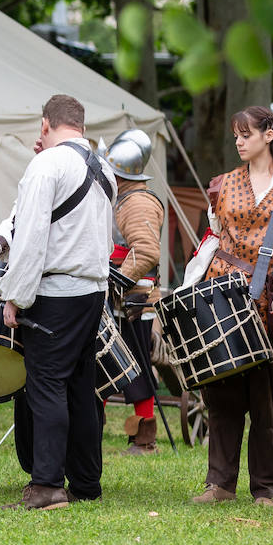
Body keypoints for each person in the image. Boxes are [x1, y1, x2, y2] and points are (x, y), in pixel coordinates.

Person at [0, 94, 113, 510]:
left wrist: (14, 296)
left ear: (45, 124)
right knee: (79, 386)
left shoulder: (47, 164)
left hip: (55, 292)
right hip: (92, 291)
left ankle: (47, 487)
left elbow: (34, 235)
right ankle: (87, 484)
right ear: (81, 125)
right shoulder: (103, 167)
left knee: (47, 386)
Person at [191, 107, 273, 507]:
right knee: (221, 391)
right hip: (222, 294)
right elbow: (212, 234)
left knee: (266, 397)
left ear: (269, 134)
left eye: (246, 134)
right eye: (235, 135)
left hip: (270, 297)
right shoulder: (221, 184)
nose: (239, 141)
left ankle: (265, 488)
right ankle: (220, 483)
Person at [103, 128, 168, 456]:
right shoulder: (126, 198)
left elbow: (144, 253)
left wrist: (116, 283)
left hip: (132, 300)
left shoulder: (138, 202)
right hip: (122, 297)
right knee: (102, 363)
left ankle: (144, 438)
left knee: (137, 368)